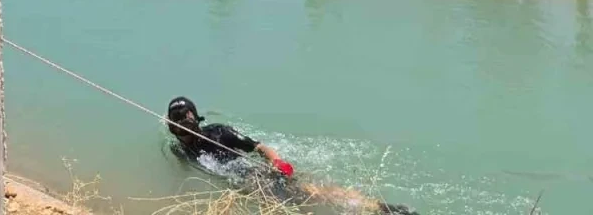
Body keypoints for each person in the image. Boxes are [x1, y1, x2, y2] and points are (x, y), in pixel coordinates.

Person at [166, 97, 418, 215]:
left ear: (196, 120)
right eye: (178, 125)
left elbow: (259, 147)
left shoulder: (220, 133)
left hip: (256, 173)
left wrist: (277, 162)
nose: (184, 130)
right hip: (240, 183)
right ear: (173, 128)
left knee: (310, 192)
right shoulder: (179, 149)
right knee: (298, 201)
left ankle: (377, 207)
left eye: (187, 122)